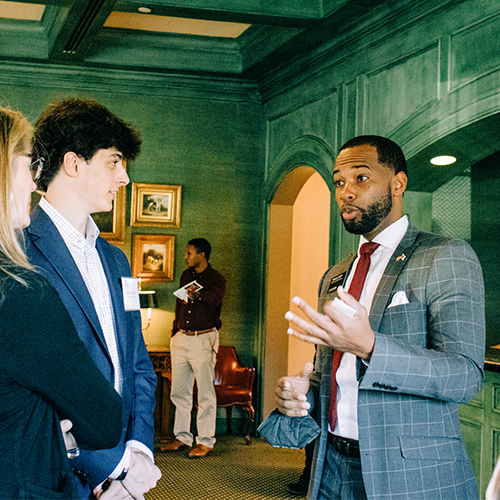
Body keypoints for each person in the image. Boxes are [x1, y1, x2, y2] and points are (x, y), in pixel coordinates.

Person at [275, 135, 485, 499]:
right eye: (339, 182)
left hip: (408, 473)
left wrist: (370, 347)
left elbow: (464, 376)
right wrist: (302, 393)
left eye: (361, 178)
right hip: (329, 467)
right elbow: (332, 377)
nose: (346, 192)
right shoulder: (335, 276)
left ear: (398, 183)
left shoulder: (444, 256)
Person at [24, 98, 160, 499]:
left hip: (126, 468)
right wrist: (109, 469)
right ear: (73, 164)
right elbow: (34, 386)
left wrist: (138, 450)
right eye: (114, 162)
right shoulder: (18, 252)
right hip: (53, 471)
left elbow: (138, 364)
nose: (125, 178)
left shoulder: (116, 260)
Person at [0, 105, 123, 499]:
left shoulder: (115, 258)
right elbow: (103, 418)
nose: (35, 178)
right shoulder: (18, 285)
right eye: (27, 163)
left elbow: (134, 364)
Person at [163, 238, 226, 458]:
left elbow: (214, 299)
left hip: (203, 339)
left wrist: (196, 294)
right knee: (179, 391)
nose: (186, 257)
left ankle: (206, 441)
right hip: (181, 338)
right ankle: (182, 437)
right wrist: (175, 332)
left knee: (206, 393)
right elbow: (179, 306)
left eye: (189, 253)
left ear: (202, 255)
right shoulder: (185, 276)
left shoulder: (216, 279)